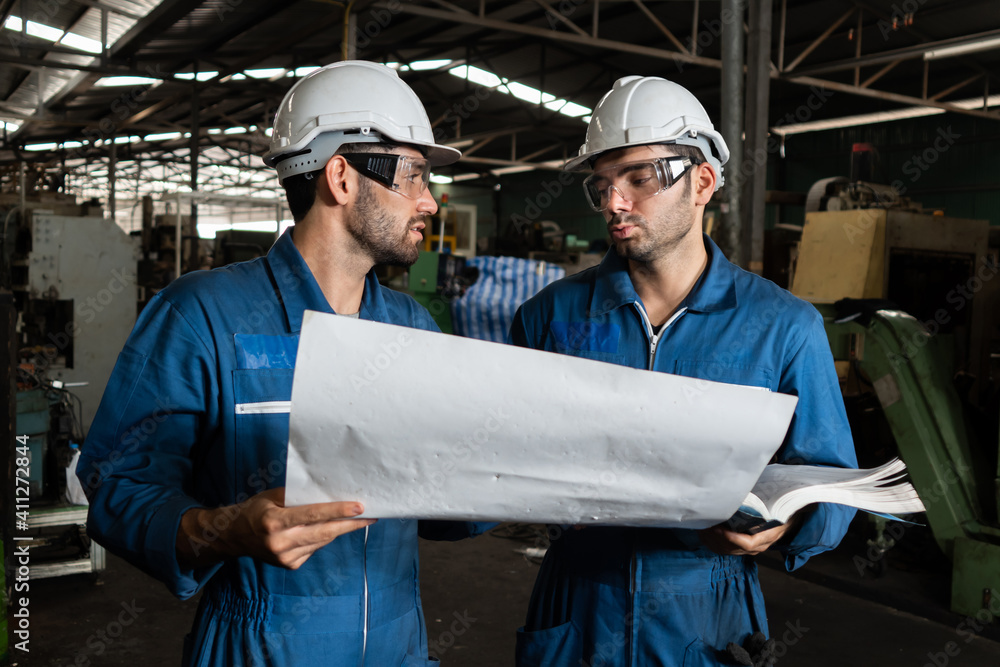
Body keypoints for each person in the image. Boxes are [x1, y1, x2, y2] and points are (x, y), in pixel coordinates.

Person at [79, 60, 479, 667]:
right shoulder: (202, 314)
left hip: (399, 646)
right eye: (414, 175)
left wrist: (516, 479)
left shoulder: (412, 327)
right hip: (259, 646)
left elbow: (442, 507)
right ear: (342, 177)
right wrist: (222, 529)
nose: (429, 200)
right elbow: (116, 484)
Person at [507, 75, 858, 666]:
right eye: (603, 185)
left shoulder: (783, 327)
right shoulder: (549, 317)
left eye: (639, 178)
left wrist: (783, 525)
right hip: (577, 600)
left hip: (708, 605)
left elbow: (831, 484)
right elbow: (498, 455)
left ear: (702, 181)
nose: (615, 203)